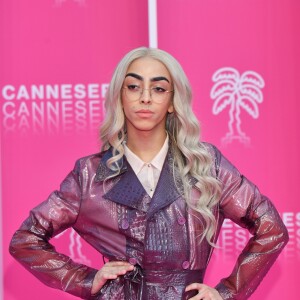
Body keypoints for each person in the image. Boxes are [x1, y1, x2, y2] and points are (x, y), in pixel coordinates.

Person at [9, 47, 288, 300]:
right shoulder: (90, 174)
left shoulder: (206, 165)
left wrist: (227, 293)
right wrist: (85, 279)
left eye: (158, 89)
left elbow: (271, 229)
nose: (144, 98)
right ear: (120, 96)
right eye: (133, 86)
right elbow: (25, 240)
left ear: (171, 101)